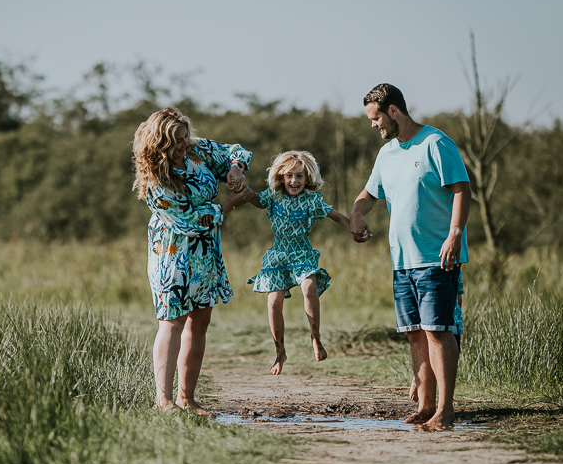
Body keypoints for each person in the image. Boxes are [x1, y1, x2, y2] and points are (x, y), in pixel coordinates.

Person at [349, 84, 471, 429]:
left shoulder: (436, 143)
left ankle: (445, 412)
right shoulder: (387, 153)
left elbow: (462, 190)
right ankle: (426, 406)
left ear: (393, 112)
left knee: (437, 330)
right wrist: (357, 214)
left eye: (375, 119)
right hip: (402, 261)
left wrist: (454, 235)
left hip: (437, 256)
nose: (373, 125)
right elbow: (370, 194)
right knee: (416, 332)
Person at [132, 107, 254, 416]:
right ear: (160, 144)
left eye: (186, 137)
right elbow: (188, 221)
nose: (185, 144)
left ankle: (187, 399)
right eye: (177, 141)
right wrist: (230, 204)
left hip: (205, 254)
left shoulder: (196, 152)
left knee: (200, 322)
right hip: (173, 255)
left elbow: (235, 151)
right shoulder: (156, 181)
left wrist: (235, 168)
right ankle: (164, 401)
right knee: (172, 322)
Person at [246, 151, 350, 375]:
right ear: (281, 177)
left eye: (300, 176)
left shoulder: (312, 200)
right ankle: (280, 351)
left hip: (302, 253)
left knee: (309, 287)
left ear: (308, 178)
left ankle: (316, 338)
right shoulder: (273, 196)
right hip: (278, 255)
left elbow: (337, 216)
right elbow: (255, 199)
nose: (294, 181)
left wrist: (355, 228)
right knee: (274, 302)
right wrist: (240, 191)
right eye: (290, 175)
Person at [411, 270, 464, 402]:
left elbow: (458, 297)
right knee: (430, 355)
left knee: (448, 357)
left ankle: (445, 397)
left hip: (453, 321)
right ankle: (418, 381)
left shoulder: (456, 272)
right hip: (438, 322)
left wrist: (456, 318)